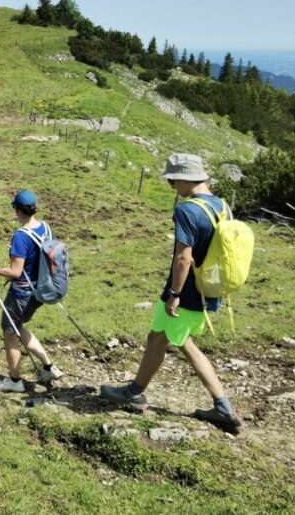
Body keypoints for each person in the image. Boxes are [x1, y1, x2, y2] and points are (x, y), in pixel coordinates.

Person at [100, 153, 244, 433]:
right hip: (209, 287)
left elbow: (183, 257)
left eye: (171, 179)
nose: (169, 185)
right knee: (157, 338)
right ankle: (135, 391)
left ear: (183, 179)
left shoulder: (187, 210)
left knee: (184, 344)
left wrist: (175, 292)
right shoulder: (222, 206)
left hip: (186, 290)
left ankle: (223, 407)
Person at [0, 191, 63, 392]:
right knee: (18, 326)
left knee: (10, 333)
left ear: (16, 209)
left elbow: (15, 272)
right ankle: (49, 367)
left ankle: (15, 381)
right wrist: (16, 250)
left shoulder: (20, 236)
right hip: (42, 290)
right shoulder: (45, 227)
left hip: (21, 294)